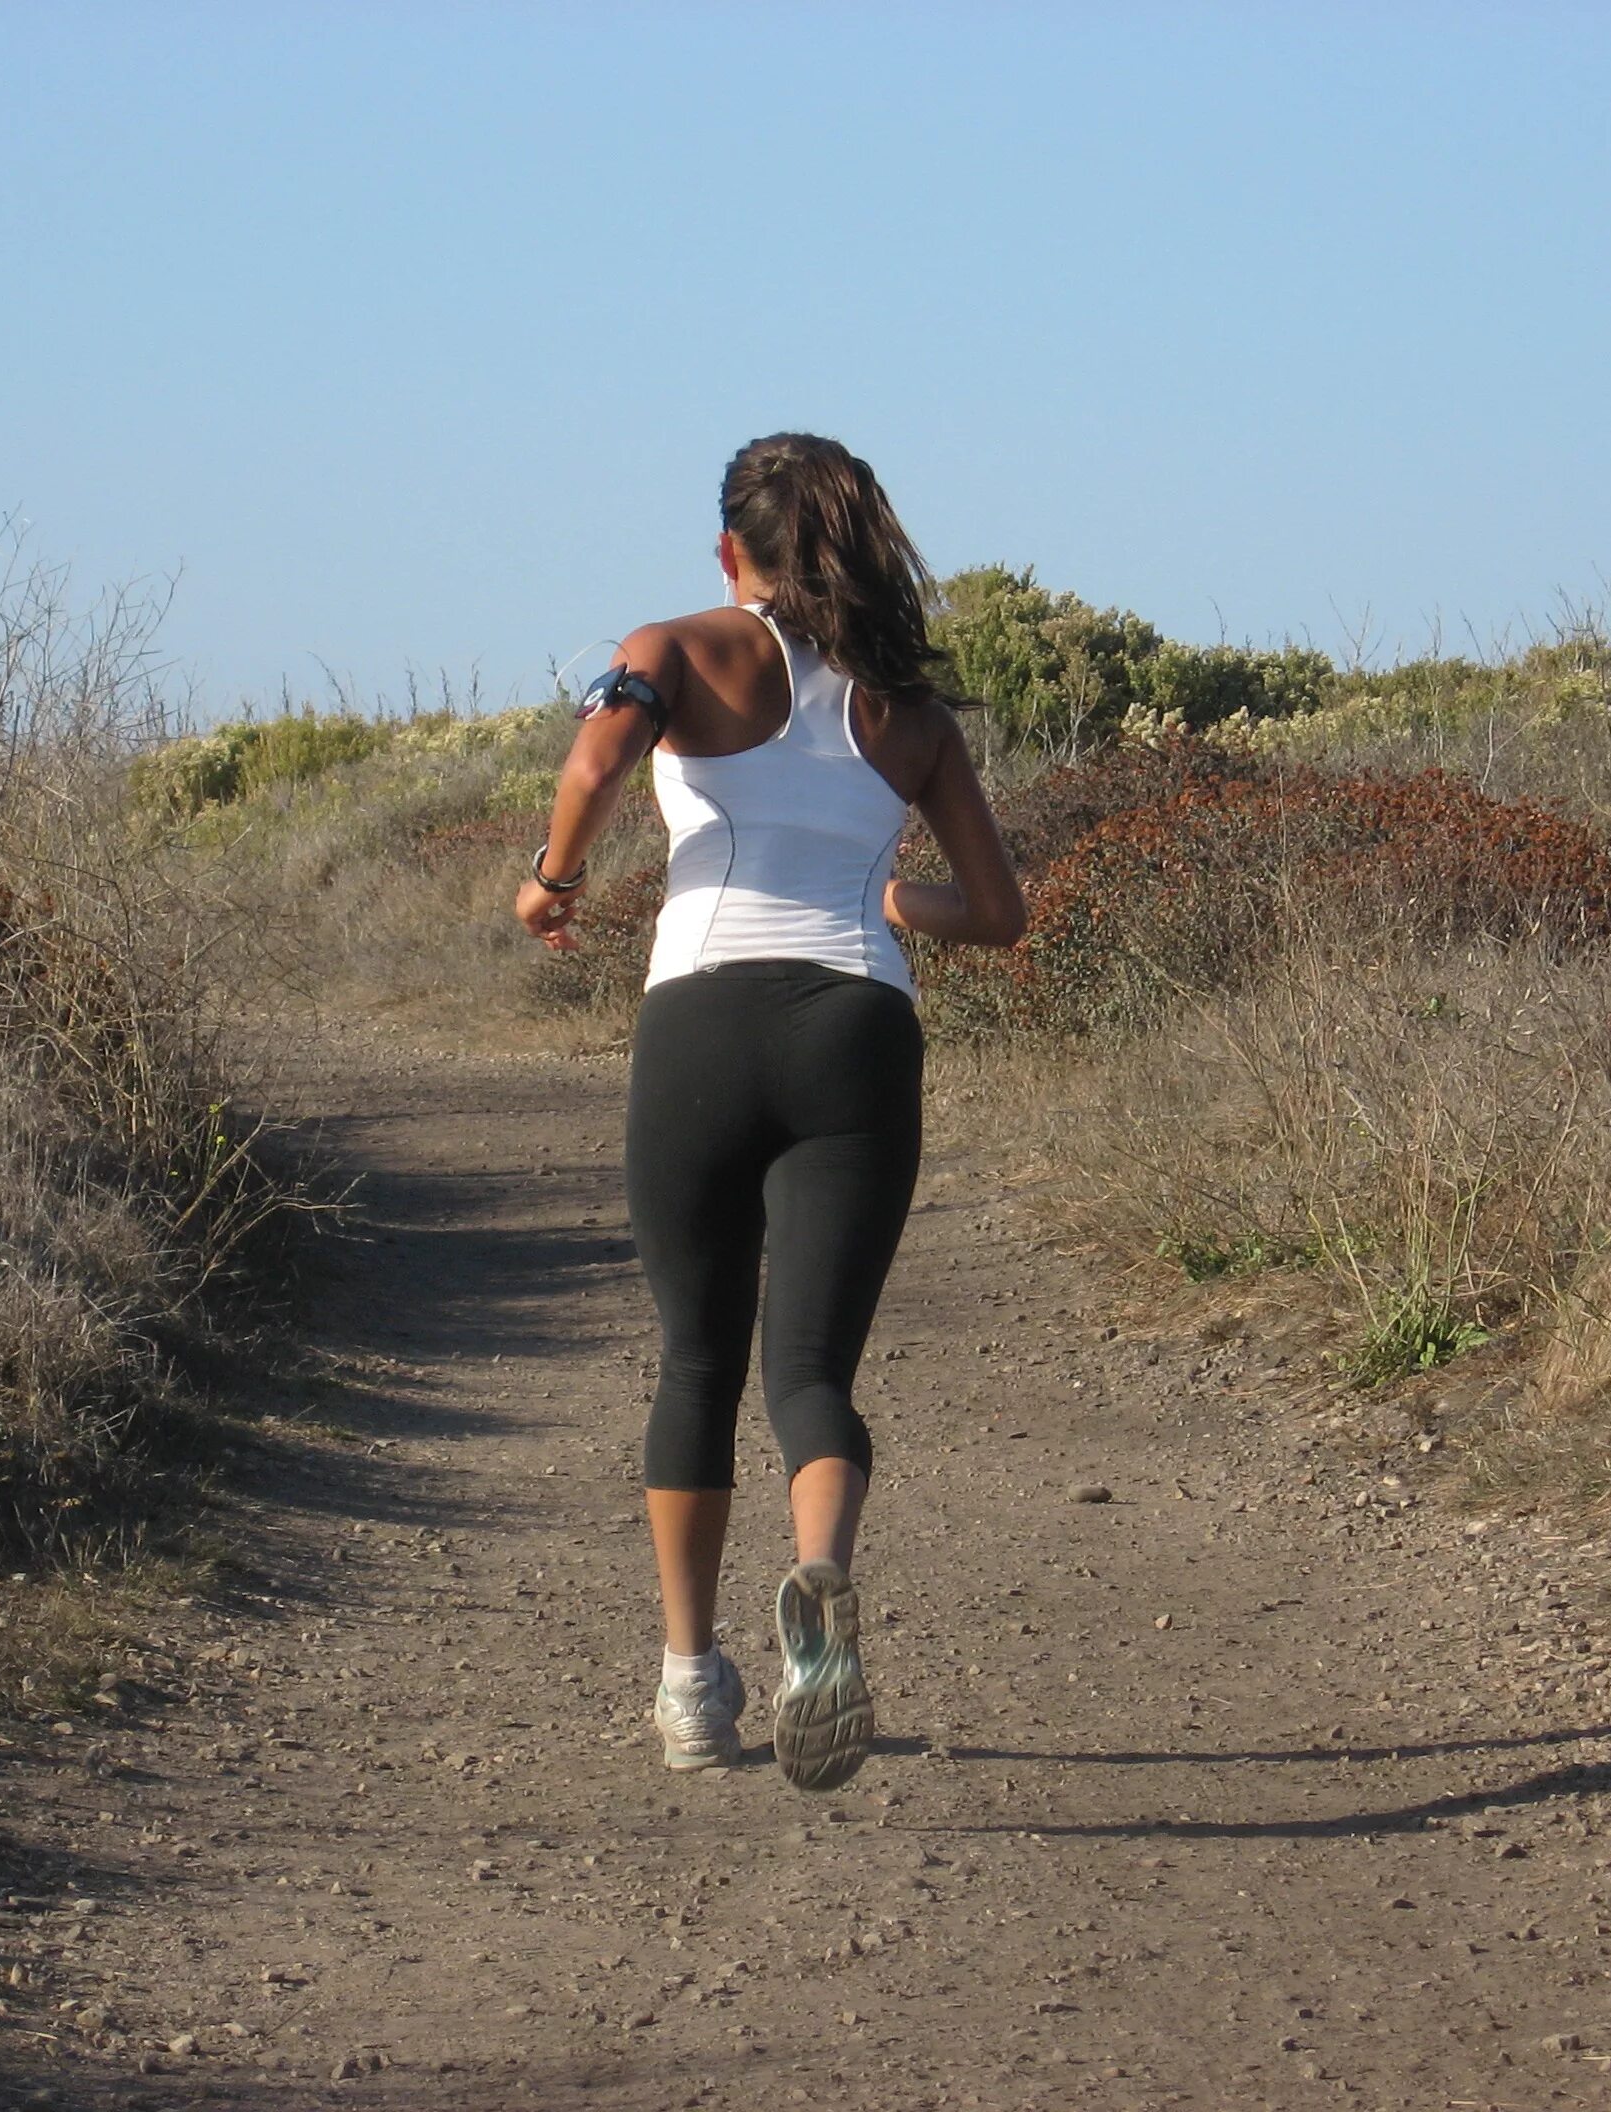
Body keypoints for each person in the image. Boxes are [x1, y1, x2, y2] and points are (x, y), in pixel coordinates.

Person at [514, 434, 1027, 1792]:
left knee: (696, 1360)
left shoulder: (675, 646)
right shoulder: (906, 712)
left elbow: (596, 764)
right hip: (859, 1026)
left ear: (731, 553)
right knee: (809, 1374)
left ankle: (691, 1684)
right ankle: (819, 1590)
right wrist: (880, 903)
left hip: (701, 1020)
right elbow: (1000, 913)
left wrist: (552, 878)